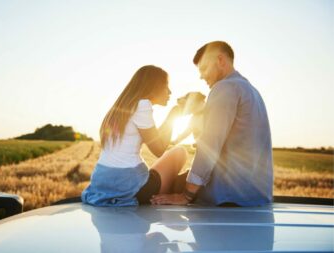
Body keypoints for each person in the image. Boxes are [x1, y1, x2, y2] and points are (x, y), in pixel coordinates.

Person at [151, 41, 273, 207]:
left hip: (227, 195)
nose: (201, 76)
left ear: (220, 61)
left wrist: (186, 195)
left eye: (203, 69)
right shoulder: (252, 91)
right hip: (255, 196)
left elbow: (210, 144)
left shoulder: (224, 88)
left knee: (151, 188)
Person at [82, 65, 187, 206]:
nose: (170, 92)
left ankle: (173, 186)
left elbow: (154, 136)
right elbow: (159, 149)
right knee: (180, 153)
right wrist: (174, 114)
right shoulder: (143, 105)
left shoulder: (123, 108)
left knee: (168, 172)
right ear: (153, 86)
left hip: (103, 184)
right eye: (166, 86)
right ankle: (172, 193)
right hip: (131, 189)